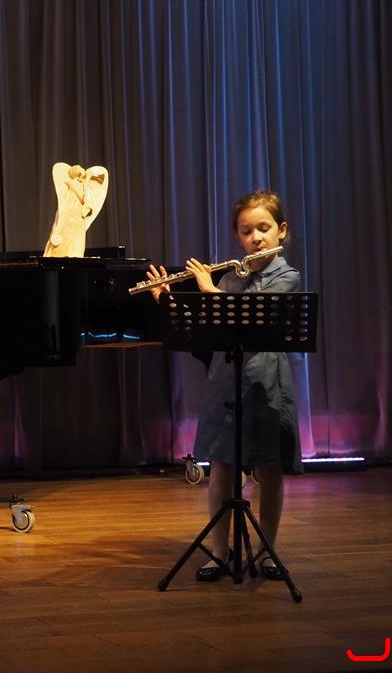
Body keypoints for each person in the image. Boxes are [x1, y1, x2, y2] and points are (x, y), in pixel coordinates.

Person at [146, 189, 303, 581]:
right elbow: (205, 333)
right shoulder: (231, 278)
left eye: (264, 229)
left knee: (269, 469)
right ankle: (219, 551)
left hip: (265, 382)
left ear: (281, 231)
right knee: (221, 467)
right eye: (247, 232)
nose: (256, 238)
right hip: (225, 380)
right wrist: (168, 300)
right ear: (238, 237)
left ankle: (267, 551)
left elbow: (252, 318)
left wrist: (210, 292)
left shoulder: (286, 276)